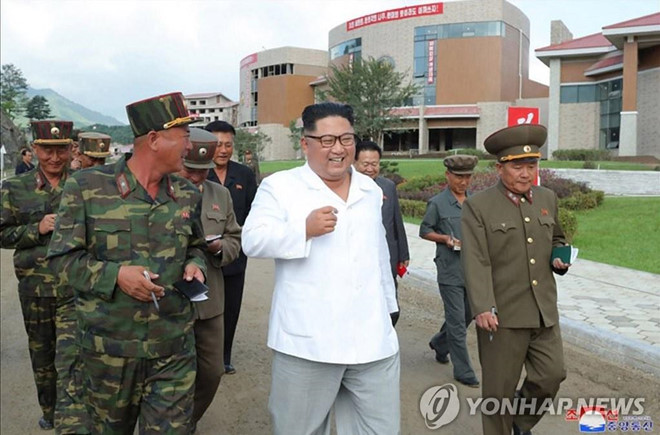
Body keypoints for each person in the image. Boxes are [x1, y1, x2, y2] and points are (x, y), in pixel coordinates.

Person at [46, 92, 207, 434]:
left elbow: (197, 246)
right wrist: (115, 275)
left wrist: (196, 264)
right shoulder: (86, 188)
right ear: (154, 139)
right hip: (107, 355)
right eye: (184, 136)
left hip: (173, 350)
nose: (190, 146)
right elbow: (61, 260)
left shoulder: (187, 194)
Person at [242, 102, 400, 435]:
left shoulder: (370, 189)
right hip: (308, 342)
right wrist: (303, 229)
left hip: (372, 339)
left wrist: (389, 310)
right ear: (306, 143)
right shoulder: (280, 187)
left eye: (346, 139)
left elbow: (379, 254)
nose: (338, 149)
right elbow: (252, 240)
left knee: (380, 428)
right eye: (327, 140)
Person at [461, 124, 570, 435]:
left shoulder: (547, 197)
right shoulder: (478, 206)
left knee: (551, 375)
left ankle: (520, 423)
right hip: (502, 315)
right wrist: (483, 306)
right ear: (500, 168)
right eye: (518, 166)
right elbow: (476, 260)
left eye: (531, 166)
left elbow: (558, 238)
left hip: (543, 311)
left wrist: (560, 256)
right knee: (498, 392)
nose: (526, 174)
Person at [1, 120, 73, 430]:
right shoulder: (14, 188)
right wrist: (36, 229)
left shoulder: (85, 185)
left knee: (77, 354)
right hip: (36, 289)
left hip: (77, 287)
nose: (54, 158)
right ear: (34, 148)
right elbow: (2, 234)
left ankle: (76, 412)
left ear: (70, 149)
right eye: (47, 150)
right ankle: (51, 410)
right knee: (43, 354)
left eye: (61, 150)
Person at [177, 128, 242, 429]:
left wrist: (219, 248)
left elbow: (234, 238)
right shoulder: (159, 192)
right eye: (189, 170)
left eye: (202, 171)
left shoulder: (220, 194)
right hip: (170, 299)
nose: (196, 178)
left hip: (209, 300)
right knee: (170, 371)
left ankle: (188, 419)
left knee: (212, 371)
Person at [51, 131, 112, 434]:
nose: (95, 167)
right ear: (79, 156)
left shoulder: (114, 189)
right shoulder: (72, 187)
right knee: (71, 368)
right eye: (91, 160)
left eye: (101, 161)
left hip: (105, 298)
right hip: (70, 295)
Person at [421, 155, 480, 388]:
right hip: (450, 270)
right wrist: (445, 238)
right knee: (456, 322)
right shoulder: (437, 203)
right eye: (458, 177)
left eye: (467, 177)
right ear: (448, 175)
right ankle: (463, 370)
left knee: (467, 315)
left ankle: (440, 343)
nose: (463, 182)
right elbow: (424, 230)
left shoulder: (476, 203)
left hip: (473, 270)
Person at [204, 120, 257, 374]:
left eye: (228, 145)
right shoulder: (198, 173)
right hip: (205, 257)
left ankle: (224, 357)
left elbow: (254, 211)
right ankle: (204, 356)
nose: (223, 150)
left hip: (235, 254)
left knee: (231, 308)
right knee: (204, 307)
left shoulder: (244, 174)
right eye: (218, 145)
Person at [353, 140, 409, 326]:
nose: (370, 169)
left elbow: (396, 221)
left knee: (392, 308)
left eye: (374, 164)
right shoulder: (347, 188)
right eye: (365, 164)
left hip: (388, 255)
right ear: (354, 162)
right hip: (360, 257)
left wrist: (403, 254)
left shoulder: (387, 186)